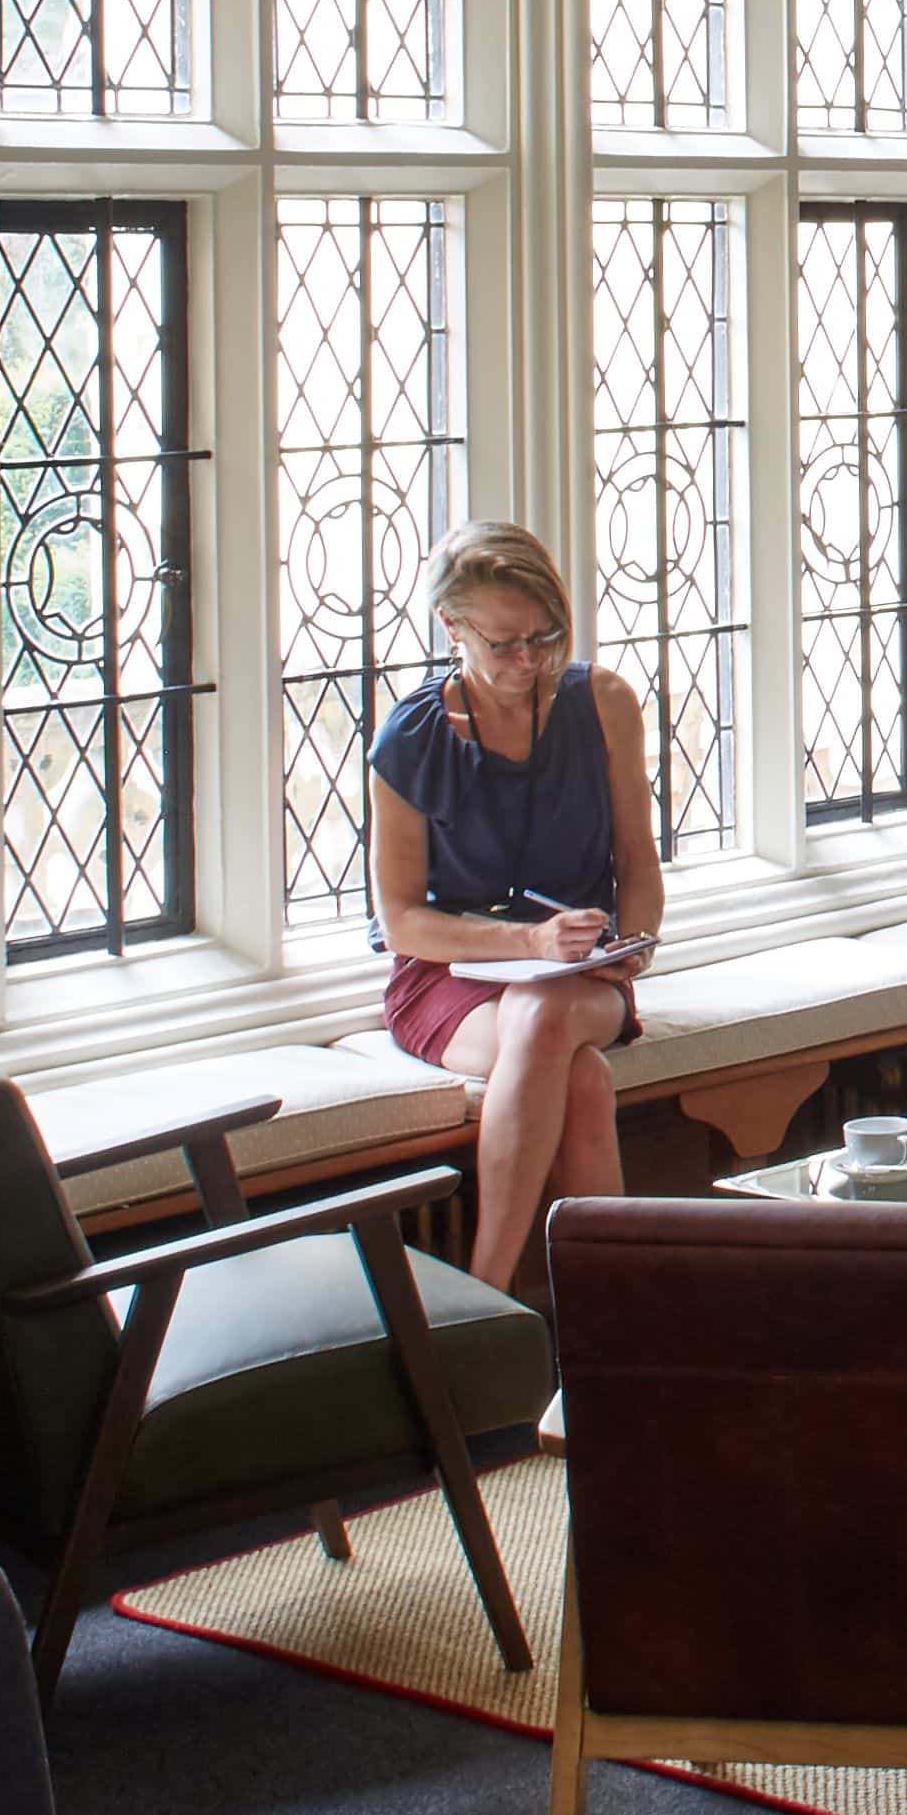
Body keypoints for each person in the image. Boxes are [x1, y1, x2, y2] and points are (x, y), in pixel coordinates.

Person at [371, 522, 661, 1317]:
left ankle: (480, 1306)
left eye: (544, 637)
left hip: (582, 974)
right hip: (446, 980)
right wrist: (523, 944)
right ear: (451, 628)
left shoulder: (602, 703)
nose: (527, 661)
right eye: (502, 644)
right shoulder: (411, 736)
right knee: (580, 1074)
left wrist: (632, 949)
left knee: (546, 1011)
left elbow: (638, 863)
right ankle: (611, 1324)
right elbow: (401, 921)